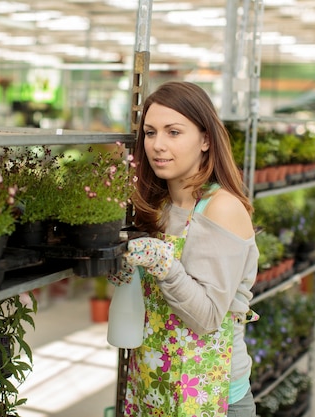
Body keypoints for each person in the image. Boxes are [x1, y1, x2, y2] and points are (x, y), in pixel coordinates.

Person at [109, 81, 259, 417]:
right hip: (154, 388)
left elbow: (206, 318)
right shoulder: (156, 207)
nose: (158, 145)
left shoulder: (221, 208)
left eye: (173, 132)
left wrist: (164, 262)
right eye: (150, 133)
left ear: (206, 139)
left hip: (212, 397)